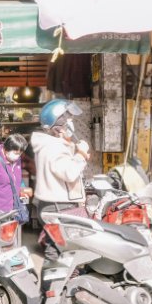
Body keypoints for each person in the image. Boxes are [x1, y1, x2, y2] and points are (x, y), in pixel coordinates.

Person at [30, 99, 90, 265]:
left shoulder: (49, 144)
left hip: (52, 204)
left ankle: (58, 285)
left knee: (60, 248)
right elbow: (69, 173)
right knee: (61, 250)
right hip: (58, 205)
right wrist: (81, 154)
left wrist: (78, 155)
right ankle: (51, 288)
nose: (71, 122)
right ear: (59, 124)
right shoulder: (53, 147)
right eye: (68, 118)